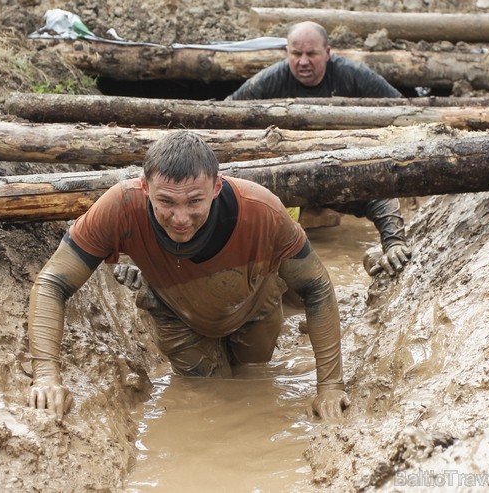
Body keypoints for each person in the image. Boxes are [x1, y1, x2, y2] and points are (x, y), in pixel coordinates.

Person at [27, 131, 349, 421]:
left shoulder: (261, 211)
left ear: (216, 187)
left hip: (254, 305)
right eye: (165, 201)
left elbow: (316, 287)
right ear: (144, 188)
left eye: (195, 201)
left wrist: (330, 386)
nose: (181, 218)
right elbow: (53, 281)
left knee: (254, 379)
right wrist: (46, 375)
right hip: (177, 314)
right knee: (210, 396)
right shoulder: (120, 207)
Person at [227, 20, 412, 278]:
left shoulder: (354, 76)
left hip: (336, 169)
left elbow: (405, 114)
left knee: (375, 195)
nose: (303, 61)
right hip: (286, 174)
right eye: (296, 54)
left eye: (311, 54)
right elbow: (225, 115)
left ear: (327, 53)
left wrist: (394, 243)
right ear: (287, 53)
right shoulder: (268, 81)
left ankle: (393, 243)